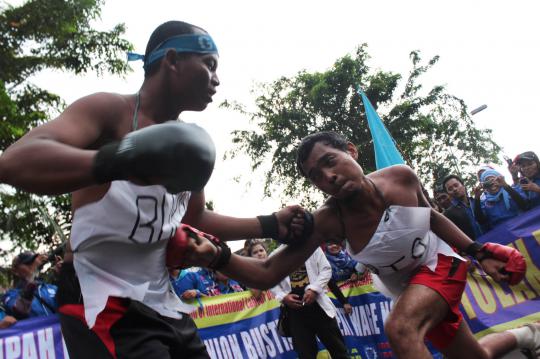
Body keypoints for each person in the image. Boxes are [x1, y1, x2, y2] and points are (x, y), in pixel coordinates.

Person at [0, 20, 303, 358]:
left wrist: (268, 223)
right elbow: (14, 162)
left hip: (160, 296)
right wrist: (122, 158)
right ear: (172, 60)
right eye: (209, 64)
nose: (217, 79)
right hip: (100, 296)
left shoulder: (186, 143)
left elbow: (196, 217)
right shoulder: (111, 111)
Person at [205, 131, 536, 359]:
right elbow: (267, 272)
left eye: (330, 161)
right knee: (475, 356)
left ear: (351, 151)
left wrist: (476, 251)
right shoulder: (328, 220)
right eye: (315, 176)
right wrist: (216, 256)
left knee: (401, 328)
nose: (327, 177)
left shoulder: (401, 177)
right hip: (408, 288)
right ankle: (528, 335)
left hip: (440, 265)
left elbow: (431, 217)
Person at [270, 247, 349, 359]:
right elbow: (270, 280)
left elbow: (326, 269)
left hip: (319, 307)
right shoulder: (275, 255)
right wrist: (284, 297)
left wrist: (314, 289)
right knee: (305, 354)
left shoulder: (312, 246)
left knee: (339, 350)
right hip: (295, 312)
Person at [2, 252, 58, 319]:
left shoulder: (52, 288)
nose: (32, 266)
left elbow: (70, 304)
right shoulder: (10, 295)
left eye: (33, 262)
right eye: (27, 263)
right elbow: (19, 312)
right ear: (15, 271)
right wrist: (30, 287)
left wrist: (65, 276)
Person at [443, 174, 484, 240]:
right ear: (448, 194)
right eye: (450, 189)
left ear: (463, 185)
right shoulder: (449, 214)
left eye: (456, 185)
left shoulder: (476, 201)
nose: (454, 189)